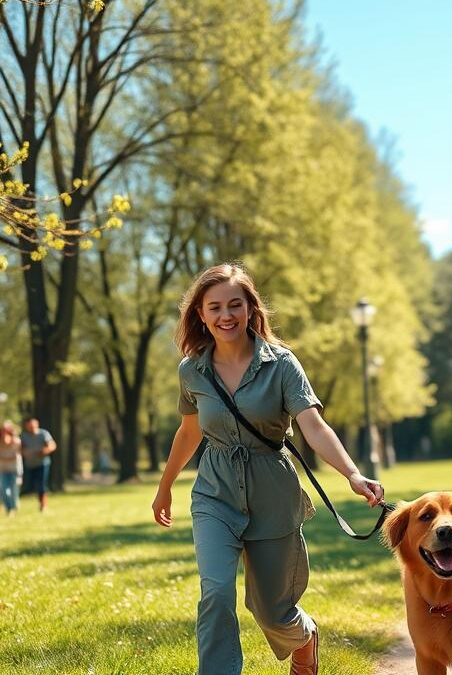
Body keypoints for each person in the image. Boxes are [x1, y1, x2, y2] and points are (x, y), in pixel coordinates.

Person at [151, 263, 384, 675]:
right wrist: (165, 485)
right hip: (215, 493)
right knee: (216, 592)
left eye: (235, 305)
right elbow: (189, 431)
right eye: (215, 307)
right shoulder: (192, 370)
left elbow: (313, 424)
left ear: (250, 308)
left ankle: (305, 637)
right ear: (200, 315)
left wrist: (352, 473)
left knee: (274, 612)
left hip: (271, 493)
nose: (226, 315)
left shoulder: (281, 364)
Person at [20, 416, 56, 512]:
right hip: (30, 464)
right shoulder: (24, 436)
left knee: (41, 485)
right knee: (31, 486)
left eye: (33, 425)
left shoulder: (43, 434)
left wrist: (44, 451)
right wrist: (25, 453)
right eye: (29, 426)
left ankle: (43, 505)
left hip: (42, 463)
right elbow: (20, 449)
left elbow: (52, 445)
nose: (31, 427)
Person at [0, 421, 22, 515]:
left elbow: (15, 456)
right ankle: (8, 508)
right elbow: (0, 456)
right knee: (4, 491)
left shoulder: (16, 441)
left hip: (14, 470)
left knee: (13, 491)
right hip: (4, 470)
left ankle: (13, 509)